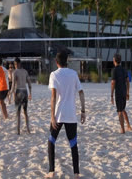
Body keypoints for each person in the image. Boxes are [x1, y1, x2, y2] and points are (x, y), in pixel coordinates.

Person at [46, 51, 86, 179]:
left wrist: (52, 116)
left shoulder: (54, 74)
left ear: (56, 62)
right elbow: (81, 92)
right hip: (71, 115)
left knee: (51, 141)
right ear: (66, 61)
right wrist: (83, 111)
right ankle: (76, 173)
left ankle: (51, 171)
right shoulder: (73, 74)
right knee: (73, 143)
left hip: (58, 114)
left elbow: (53, 97)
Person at [10, 57, 32, 135]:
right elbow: (29, 84)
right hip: (25, 91)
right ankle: (28, 129)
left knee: (18, 112)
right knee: (25, 112)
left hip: (18, 91)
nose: (15, 65)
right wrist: (30, 93)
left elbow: (13, 85)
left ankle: (18, 130)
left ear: (17, 64)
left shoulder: (14, 72)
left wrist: (10, 95)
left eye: (15, 64)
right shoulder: (25, 71)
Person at [111, 53, 132, 134]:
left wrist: (111, 95)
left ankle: (123, 130)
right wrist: (127, 92)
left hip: (119, 93)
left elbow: (113, 82)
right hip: (124, 92)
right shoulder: (124, 69)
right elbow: (127, 81)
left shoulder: (114, 70)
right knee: (123, 109)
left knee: (119, 111)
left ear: (114, 61)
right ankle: (128, 126)